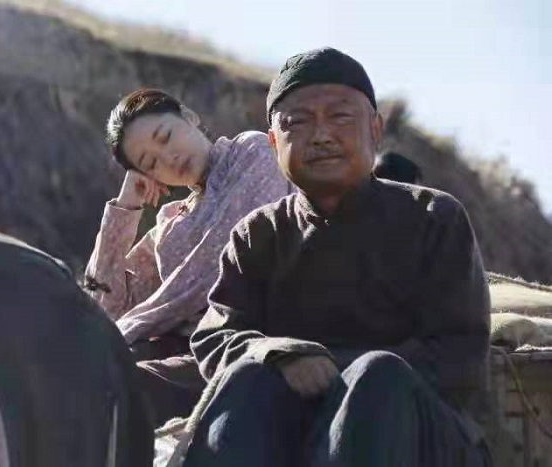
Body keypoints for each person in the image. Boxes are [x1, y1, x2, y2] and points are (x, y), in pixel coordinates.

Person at [184, 48, 491, 466]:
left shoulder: (434, 217)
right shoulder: (258, 234)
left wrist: (333, 370)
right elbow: (216, 336)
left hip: (418, 436)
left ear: (375, 129)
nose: (321, 135)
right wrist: (279, 352)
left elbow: (459, 356)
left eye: (341, 117)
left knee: (378, 377)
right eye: (297, 122)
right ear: (273, 143)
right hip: (295, 430)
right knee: (250, 376)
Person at [83, 88, 294, 426]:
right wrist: (125, 206)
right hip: (182, 348)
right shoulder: (171, 223)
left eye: (166, 137)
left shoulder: (251, 152)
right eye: (151, 163)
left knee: (121, 383)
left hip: (245, 336)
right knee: (97, 370)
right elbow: (108, 307)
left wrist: (142, 322)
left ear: (189, 116)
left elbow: (224, 260)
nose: (169, 158)